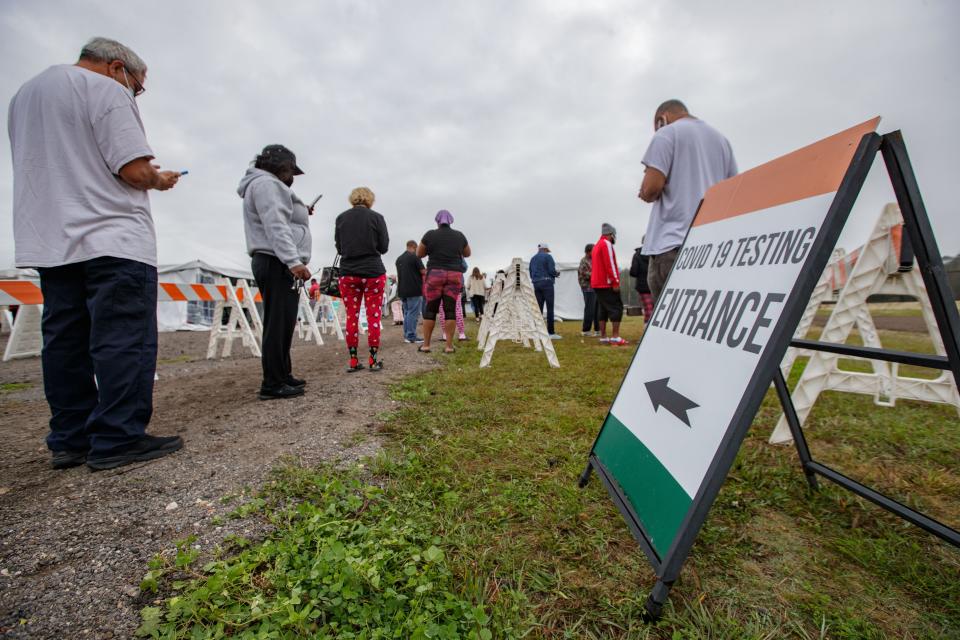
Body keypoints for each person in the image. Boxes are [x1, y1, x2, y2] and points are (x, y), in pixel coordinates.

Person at [8, 37, 183, 470]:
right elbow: (133, 168)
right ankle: (118, 435)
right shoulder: (106, 89)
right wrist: (161, 179)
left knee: (65, 340)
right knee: (122, 337)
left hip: (51, 235)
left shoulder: (24, 95)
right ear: (116, 66)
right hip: (111, 234)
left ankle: (70, 437)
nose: (134, 94)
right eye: (137, 87)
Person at [638, 99, 737, 303]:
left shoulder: (666, 134)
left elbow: (651, 188)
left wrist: (644, 188)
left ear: (661, 120)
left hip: (672, 244)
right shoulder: (721, 141)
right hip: (710, 244)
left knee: (667, 322)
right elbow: (732, 190)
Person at [239, 144, 312, 399]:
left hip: (275, 259)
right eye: (291, 171)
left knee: (283, 322)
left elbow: (282, 220)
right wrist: (293, 261)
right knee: (278, 322)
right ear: (283, 167)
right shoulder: (267, 185)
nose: (292, 177)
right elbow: (276, 225)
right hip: (275, 260)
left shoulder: (264, 185)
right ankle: (272, 382)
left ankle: (282, 374)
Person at [335, 187, 390, 371]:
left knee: (352, 316)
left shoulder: (341, 218)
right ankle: (373, 360)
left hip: (348, 272)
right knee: (373, 315)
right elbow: (383, 247)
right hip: (373, 271)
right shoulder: (377, 218)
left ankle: (353, 360)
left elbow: (340, 248)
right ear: (370, 200)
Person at [417, 210, 470, 354]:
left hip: (435, 274)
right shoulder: (459, 235)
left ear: (437, 221)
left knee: (431, 309)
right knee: (450, 310)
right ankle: (449, 346)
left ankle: (426, 345)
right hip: (454, 275)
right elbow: (468, 253)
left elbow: (419, 253)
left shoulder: (430, 234)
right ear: (451, 221)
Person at [591, 223, 628, 346]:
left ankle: (603, 336)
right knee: (616, 307)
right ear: (611, 234)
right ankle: (615, 337)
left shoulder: (596, 245)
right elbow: (610, 264)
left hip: (597, 283)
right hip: (606, 283)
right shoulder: (606, 244)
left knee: (603, 309)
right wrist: (615, 281)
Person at [395, 240, 426, 343]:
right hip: (414, 289)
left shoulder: (398, 259)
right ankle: (411, 336)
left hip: (402, 290)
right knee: (413, 313)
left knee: (407, 313)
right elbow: (423, 271)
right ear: (414, 246)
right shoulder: (415, 257)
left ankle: (407, 335)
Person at [529, 243, 562, 339]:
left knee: (538, 309)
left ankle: (538, 332)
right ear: (546, 249)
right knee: (550, 308)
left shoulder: (533, 258)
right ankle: (551, 333)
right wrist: (556, 273)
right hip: (547, 283)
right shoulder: (548, 257)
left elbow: (531, 273)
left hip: (536, 283)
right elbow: (551, 270)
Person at [578, 243, 600, 336]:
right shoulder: (584, 261)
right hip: (587, 288)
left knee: (597, 310)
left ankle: (597, 329)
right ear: (588, 251)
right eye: (593, 250)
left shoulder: (595, 260)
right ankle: (586, 330)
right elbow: (583, 273)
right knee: (589, 309)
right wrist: (596, 275)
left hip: (596, 287)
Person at [630, 241, 653, 323]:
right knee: (655, 309)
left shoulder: (637, 255)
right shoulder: (657, 253)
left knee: (648, 310)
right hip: (656, 285)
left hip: (643, 286)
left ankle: (647, 328)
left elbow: (633, 272)